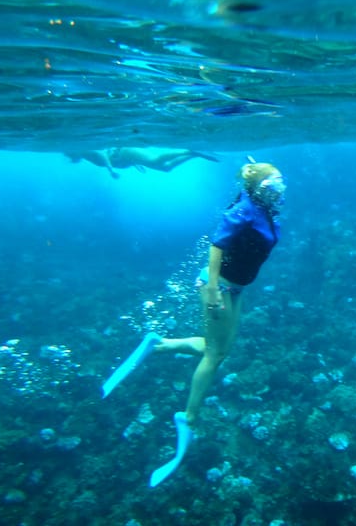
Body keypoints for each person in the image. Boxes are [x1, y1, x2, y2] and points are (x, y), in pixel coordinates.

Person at [101, 158, 285, 487]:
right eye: (273, 184)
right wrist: (213, 289)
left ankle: (160, 344)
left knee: (220, 350)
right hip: (220, 287)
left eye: (281, 181)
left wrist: (258, 175)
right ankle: (188, 417)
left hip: (236, 288)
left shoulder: (263, 209)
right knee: (214, 356)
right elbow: (216, 247)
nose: (280, 188)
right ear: (258, 189)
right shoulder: (244, 210)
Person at [66, 147, 219, 178]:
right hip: (128, 158)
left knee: (156, 160)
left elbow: (103, 155)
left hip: (125, 152)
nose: (70, 158)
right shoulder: (86, 155)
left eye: (69, 155)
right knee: (165, 169)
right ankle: (194, 154)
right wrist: (135, 164)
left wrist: (110, 170)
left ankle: (188, 151)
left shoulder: (86, 151)